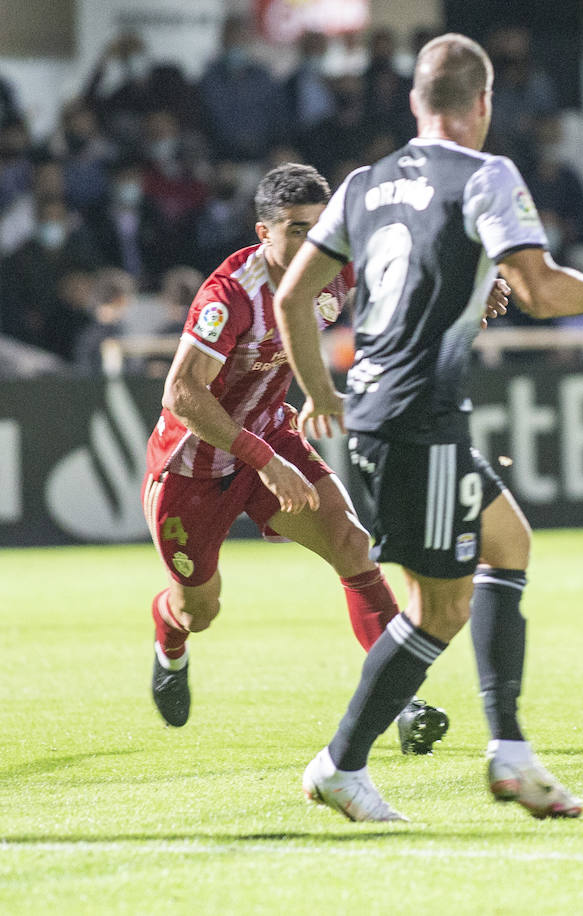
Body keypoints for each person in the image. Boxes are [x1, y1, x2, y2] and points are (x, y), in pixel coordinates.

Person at [273, 32, 583, 822]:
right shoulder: (487, 175)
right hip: (418, 417)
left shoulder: (364, 183)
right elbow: (543, 292)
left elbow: (291, 300)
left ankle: (509, 751)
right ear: (484, 103)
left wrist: (323, 392)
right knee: (438, 610)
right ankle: (342, 763)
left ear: (416, 103)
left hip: (392, 409)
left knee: (508, 542)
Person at [142, 163, 451, 754]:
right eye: (297, 231)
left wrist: (472, 288)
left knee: (350, 543)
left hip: (272, 439)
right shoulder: (229, 293)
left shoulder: (335, 269)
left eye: (322, 227)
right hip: (192, 469)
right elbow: (181, 395)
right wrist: (264, 460)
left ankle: (401, 703)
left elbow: (412, 273)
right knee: (198, 609)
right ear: (264, 233)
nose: (314, 243)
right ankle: (169, 640)